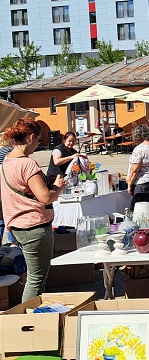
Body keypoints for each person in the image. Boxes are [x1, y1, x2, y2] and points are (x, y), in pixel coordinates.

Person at [1, 118, 65, 301]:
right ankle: (30, 320)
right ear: (30, 137)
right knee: (36, 279)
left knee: (33, 276)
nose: (38, 145)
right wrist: (58, 187)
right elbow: (45, 197)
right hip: (34, 226)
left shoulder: (7, 161)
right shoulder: (27, 164)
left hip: (18, 225)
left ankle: (32, 316)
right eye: (38, 141)